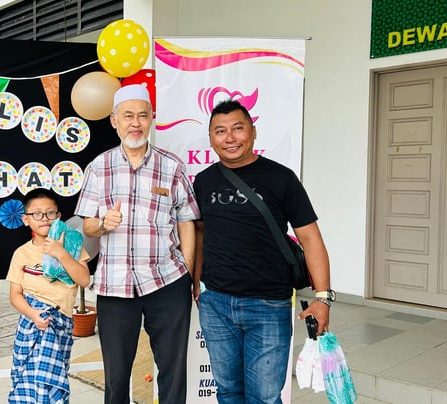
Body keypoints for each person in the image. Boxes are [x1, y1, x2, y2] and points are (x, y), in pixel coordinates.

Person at [193, 99, 332, 403]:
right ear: (211, 139)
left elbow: (310, 239)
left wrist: (323, 298)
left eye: (238, 129)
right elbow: (200, 235)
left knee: (265, 397)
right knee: (228, 392)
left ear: (253, 132)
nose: (229, 138)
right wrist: (197, 281)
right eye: (220, 131)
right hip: (216, 303)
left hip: (268, 305)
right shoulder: (203, 181)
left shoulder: (281, 179)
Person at [74, 84, 200, 404]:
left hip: (167, 281)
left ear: (151, 119)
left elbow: (187, 220)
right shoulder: (99, 167)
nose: (135, 122)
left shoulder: (171, 166)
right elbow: (86, 224)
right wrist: (103, 224)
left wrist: (185, 271)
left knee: (172, 370)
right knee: (116, 376)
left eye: (142, 115)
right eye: (127, 115)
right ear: (114, 120)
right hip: (115, 285)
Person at [6, 188, 91, 403]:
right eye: (37, 214)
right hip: (31, 322)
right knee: (29, 379)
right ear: (26, 220)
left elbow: (84, 280)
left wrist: (60, 253)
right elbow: (15, 294)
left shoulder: (73, 245)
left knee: (52, 381)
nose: (44, 218)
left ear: (59, 216)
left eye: (50, 213)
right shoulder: (21, 253)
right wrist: (33, 313)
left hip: (60, 322)